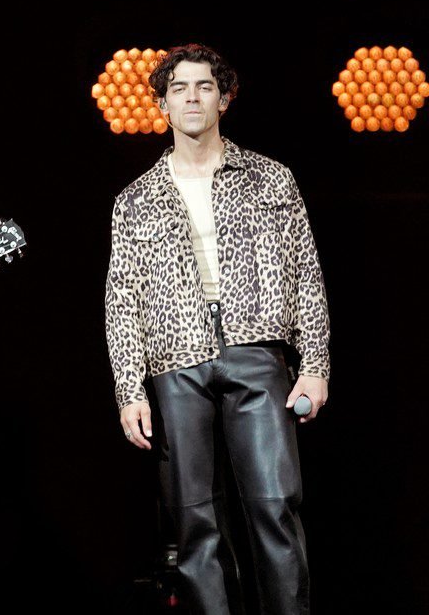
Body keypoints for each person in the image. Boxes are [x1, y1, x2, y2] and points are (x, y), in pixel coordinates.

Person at [104, 44, 330, 614]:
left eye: (204, 86)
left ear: (224, 99)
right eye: (178, 89)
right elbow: (121, 298)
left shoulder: (270, 179)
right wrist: (129, 389)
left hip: (257, 351)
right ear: (162, 105)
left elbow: (306, 273)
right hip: (176, 362)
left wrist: (315, 364)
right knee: (195, 522)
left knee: (275, 505)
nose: (192, 98)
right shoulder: (135, 199)